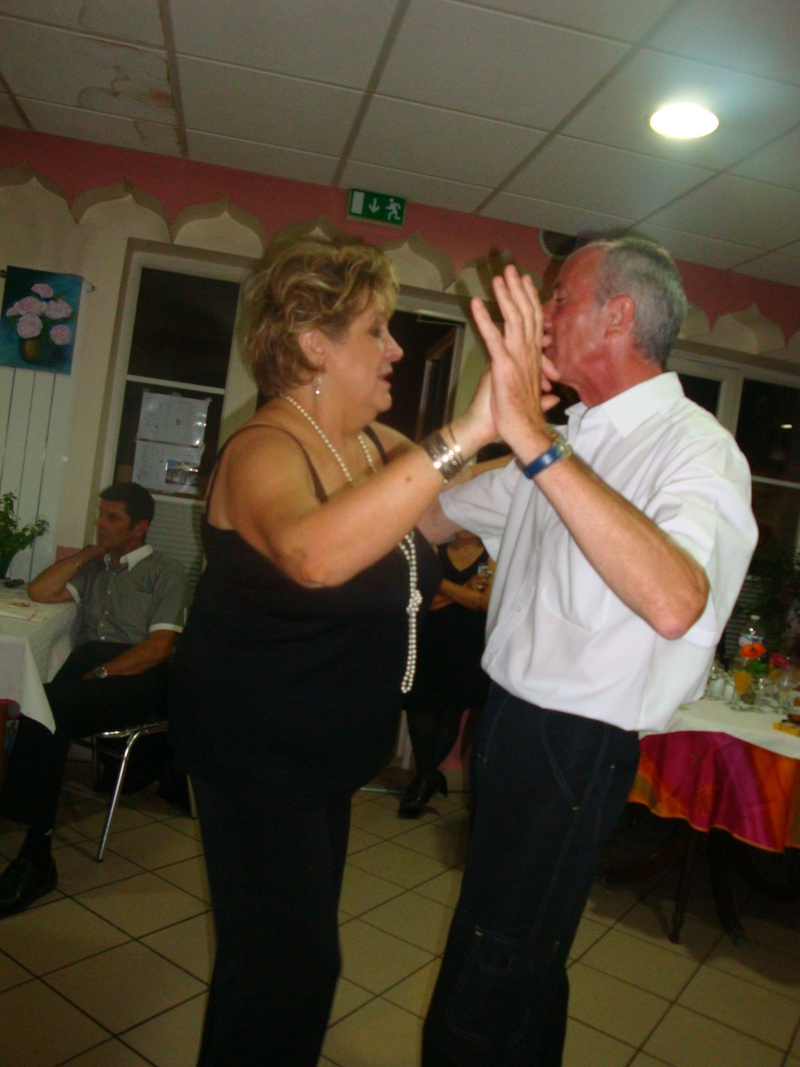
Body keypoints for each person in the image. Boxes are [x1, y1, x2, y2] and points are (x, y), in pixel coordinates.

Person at [418, 237, 758, 1066]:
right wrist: (479, 423)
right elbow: (429, 513)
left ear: (619, 315)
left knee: (490, 977)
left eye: (558, 297)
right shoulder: (571, 438)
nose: (544, 316)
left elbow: (676, 599)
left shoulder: (694, 448)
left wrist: (535, 442)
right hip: (507, 724)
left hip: (574, 745)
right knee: (516, 959)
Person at [166, 235, 497, 1067]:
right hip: (254, 753)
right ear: (314, 342)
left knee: (288, 965)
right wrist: (469, 427)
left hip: (320, 758)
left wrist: (539, 440)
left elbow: (434, 514)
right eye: (377, 330)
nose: (395, 350)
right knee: (286, 970)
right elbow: (315, 555)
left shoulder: (372, 443)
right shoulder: (261, 449)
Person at [0, 482, 187, 917]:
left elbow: (159, 648)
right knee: (44, 706)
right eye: (100, 515)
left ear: (140, 527)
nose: (101, 524)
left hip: (134, 674)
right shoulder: (97, 568)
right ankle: (34, 845)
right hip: (90, 667)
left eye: (112, 518)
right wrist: (88, 553)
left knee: (48, 706)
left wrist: (104, 672)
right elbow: (39, 593)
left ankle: (34, 853)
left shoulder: (166, 572)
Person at [398, 530, 492, 817]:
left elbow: (484, 603)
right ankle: (427, 777)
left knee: (451, 711)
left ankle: (423, 779)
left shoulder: (493, 553)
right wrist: (463, 588)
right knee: (418, 708)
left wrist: (439, 586)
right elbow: (422, 602)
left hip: (468, 647)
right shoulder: (434, 550)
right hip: (428, 642)